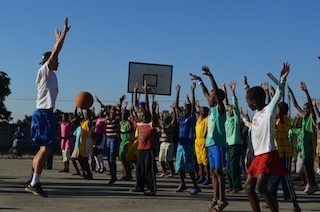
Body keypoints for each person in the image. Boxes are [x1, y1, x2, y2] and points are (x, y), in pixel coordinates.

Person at [25, 17, 70, 197]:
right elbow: (55, 52)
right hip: (44, 113)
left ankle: (31, 180)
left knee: (43, 148)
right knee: (47, 148)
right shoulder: (46, 70)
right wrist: (64, 35)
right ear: (48, 60)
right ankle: (35, 183)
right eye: (54, 59)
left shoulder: (47, 74)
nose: (58, 61)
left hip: (41, 113)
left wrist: (57, 39)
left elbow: (54, 51)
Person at [244, 62, 291, 212]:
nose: (248, 105)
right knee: (248, 187)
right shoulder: (256, 115)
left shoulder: (268, 111)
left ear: (255, 102)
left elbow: (278, 94)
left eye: (248, 102)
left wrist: (282, 79)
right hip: (258, 156)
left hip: (268, 154)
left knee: (261, 187)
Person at [190, 66, 228, 211]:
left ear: (217, 99)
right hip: (210, 144)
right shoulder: (211, 110)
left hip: (218, 144)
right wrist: (200, 81)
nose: (208, 98)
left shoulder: (220, 109)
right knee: (212, 171)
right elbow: (206, 92)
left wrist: (211, 76)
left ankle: (223, 199)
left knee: (219, 172)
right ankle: (215, 197)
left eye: (212, 97)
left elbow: (215, 93)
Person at [287, 81, 319, 194]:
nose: (304, 110)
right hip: (304, 147)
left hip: (310, 146)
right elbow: (295, 105)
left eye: (306, 109)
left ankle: (312, 184)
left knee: (308, 166)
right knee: (307, 166)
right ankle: (312, 184)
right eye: (304, 109)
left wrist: (306, 92)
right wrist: (291, 92)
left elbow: (310, 104)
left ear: (310, 110)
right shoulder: (304, 117)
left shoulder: (311, 118)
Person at [129, 80, 157, 196]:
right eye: (141, 114)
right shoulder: (139, 124)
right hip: (140, 149)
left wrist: (145, 91)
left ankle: (152, 189)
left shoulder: (150, 125)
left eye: (145, 114)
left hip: (148, 149)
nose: (143, 115)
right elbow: (136, 106)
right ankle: (139, 186)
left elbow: (147, 107)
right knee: (139, 169)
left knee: (148, 170)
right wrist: (135, 92)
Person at [173, 83, 201, 196]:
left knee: (190, 167)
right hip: (181, 145)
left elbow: (193, 105)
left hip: (188, 145)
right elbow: (176, 106)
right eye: (184, 109)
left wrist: (193, 91)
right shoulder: (181, 117)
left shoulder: (191, 118)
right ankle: (183, 183)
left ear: (190, 111)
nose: (184, 110)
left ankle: (195, 185)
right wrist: (177, 92)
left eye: (187, 109)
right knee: (179, 166)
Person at [222, 81, 243, 194]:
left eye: (230, 109)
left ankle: (237, 186)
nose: (229, 109)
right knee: (228, 167)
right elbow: (225, 104)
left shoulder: (235, 119)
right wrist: (224, 92)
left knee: (233, 166)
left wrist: (232, 92)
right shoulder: (227, 119)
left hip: (235, 144)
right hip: (229, 145)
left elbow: (234, 106)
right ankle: (231, 185)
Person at [194, 100, 210, 185]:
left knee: (205, 161)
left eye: (203, 111)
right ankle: (202, 177)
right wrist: (198, 106)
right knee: (199, 160)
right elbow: (199, 112)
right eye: (201, 111)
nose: (201, 112)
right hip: (197, 141)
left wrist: (200, 107)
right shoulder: (199, 119)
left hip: (203, 140)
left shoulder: (207, 120)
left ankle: (208, 177)